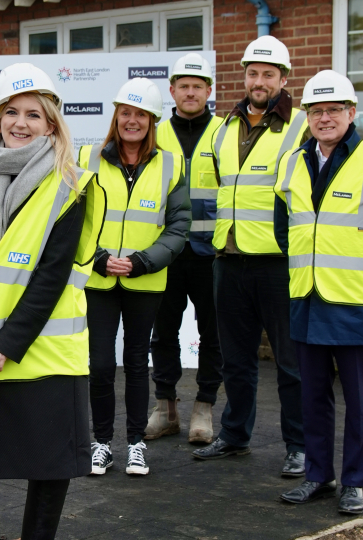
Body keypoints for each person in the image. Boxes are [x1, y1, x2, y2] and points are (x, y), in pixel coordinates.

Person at [0, 62, 105, 539]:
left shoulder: (70, 185)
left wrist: (6, 344)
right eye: (10, 112)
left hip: (44, 360)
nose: (20, 123)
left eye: (34, 114)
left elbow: (50, 278)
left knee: (48, 477)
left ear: (52, 123)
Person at [275, 71, 363, 514]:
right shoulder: (292, 163)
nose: (324, 119)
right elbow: (286, 231)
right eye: (316, 112)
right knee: (312, 397)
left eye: (333, 110)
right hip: (307, 302)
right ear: (307, 117)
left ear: (351, 113)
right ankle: (319, 475)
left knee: (360, 403)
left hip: (357, 305)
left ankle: (354, 482)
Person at [192, 35, 310, 478]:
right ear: (244, 76)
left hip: (278, 261)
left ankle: (299, 445)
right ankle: (235, 434)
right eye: (253, 73)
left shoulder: (300, 126)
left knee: (291, 363)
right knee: (235, 359)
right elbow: (211, 192)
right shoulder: (223, 127)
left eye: (268, 74)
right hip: (229, 258)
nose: (259, 81)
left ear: (283, 78)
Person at [79, 78, 189, 476]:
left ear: (152, 120)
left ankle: (136, 443)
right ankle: (102, 443)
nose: (132, 120)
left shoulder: (171, 165)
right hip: (98, 281)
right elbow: (72, 220)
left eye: (140, 114)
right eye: (125, 112)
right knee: (101, 365)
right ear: (116, 116)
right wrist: (98, 259)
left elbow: (179, 227)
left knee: (137, 363)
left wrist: (142, 261)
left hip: (145, 281)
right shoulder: (88, 157)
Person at [147, 53, 224, 444]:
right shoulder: (154, 134)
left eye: (198, 85)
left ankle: (204, 408)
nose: (190, 92)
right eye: (183, 85)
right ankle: (165, 407)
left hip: (212, 253)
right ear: (172, 90)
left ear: (208, 90)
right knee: (163, 331)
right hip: (167, 250)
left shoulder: (226, 132)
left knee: (213, 333)